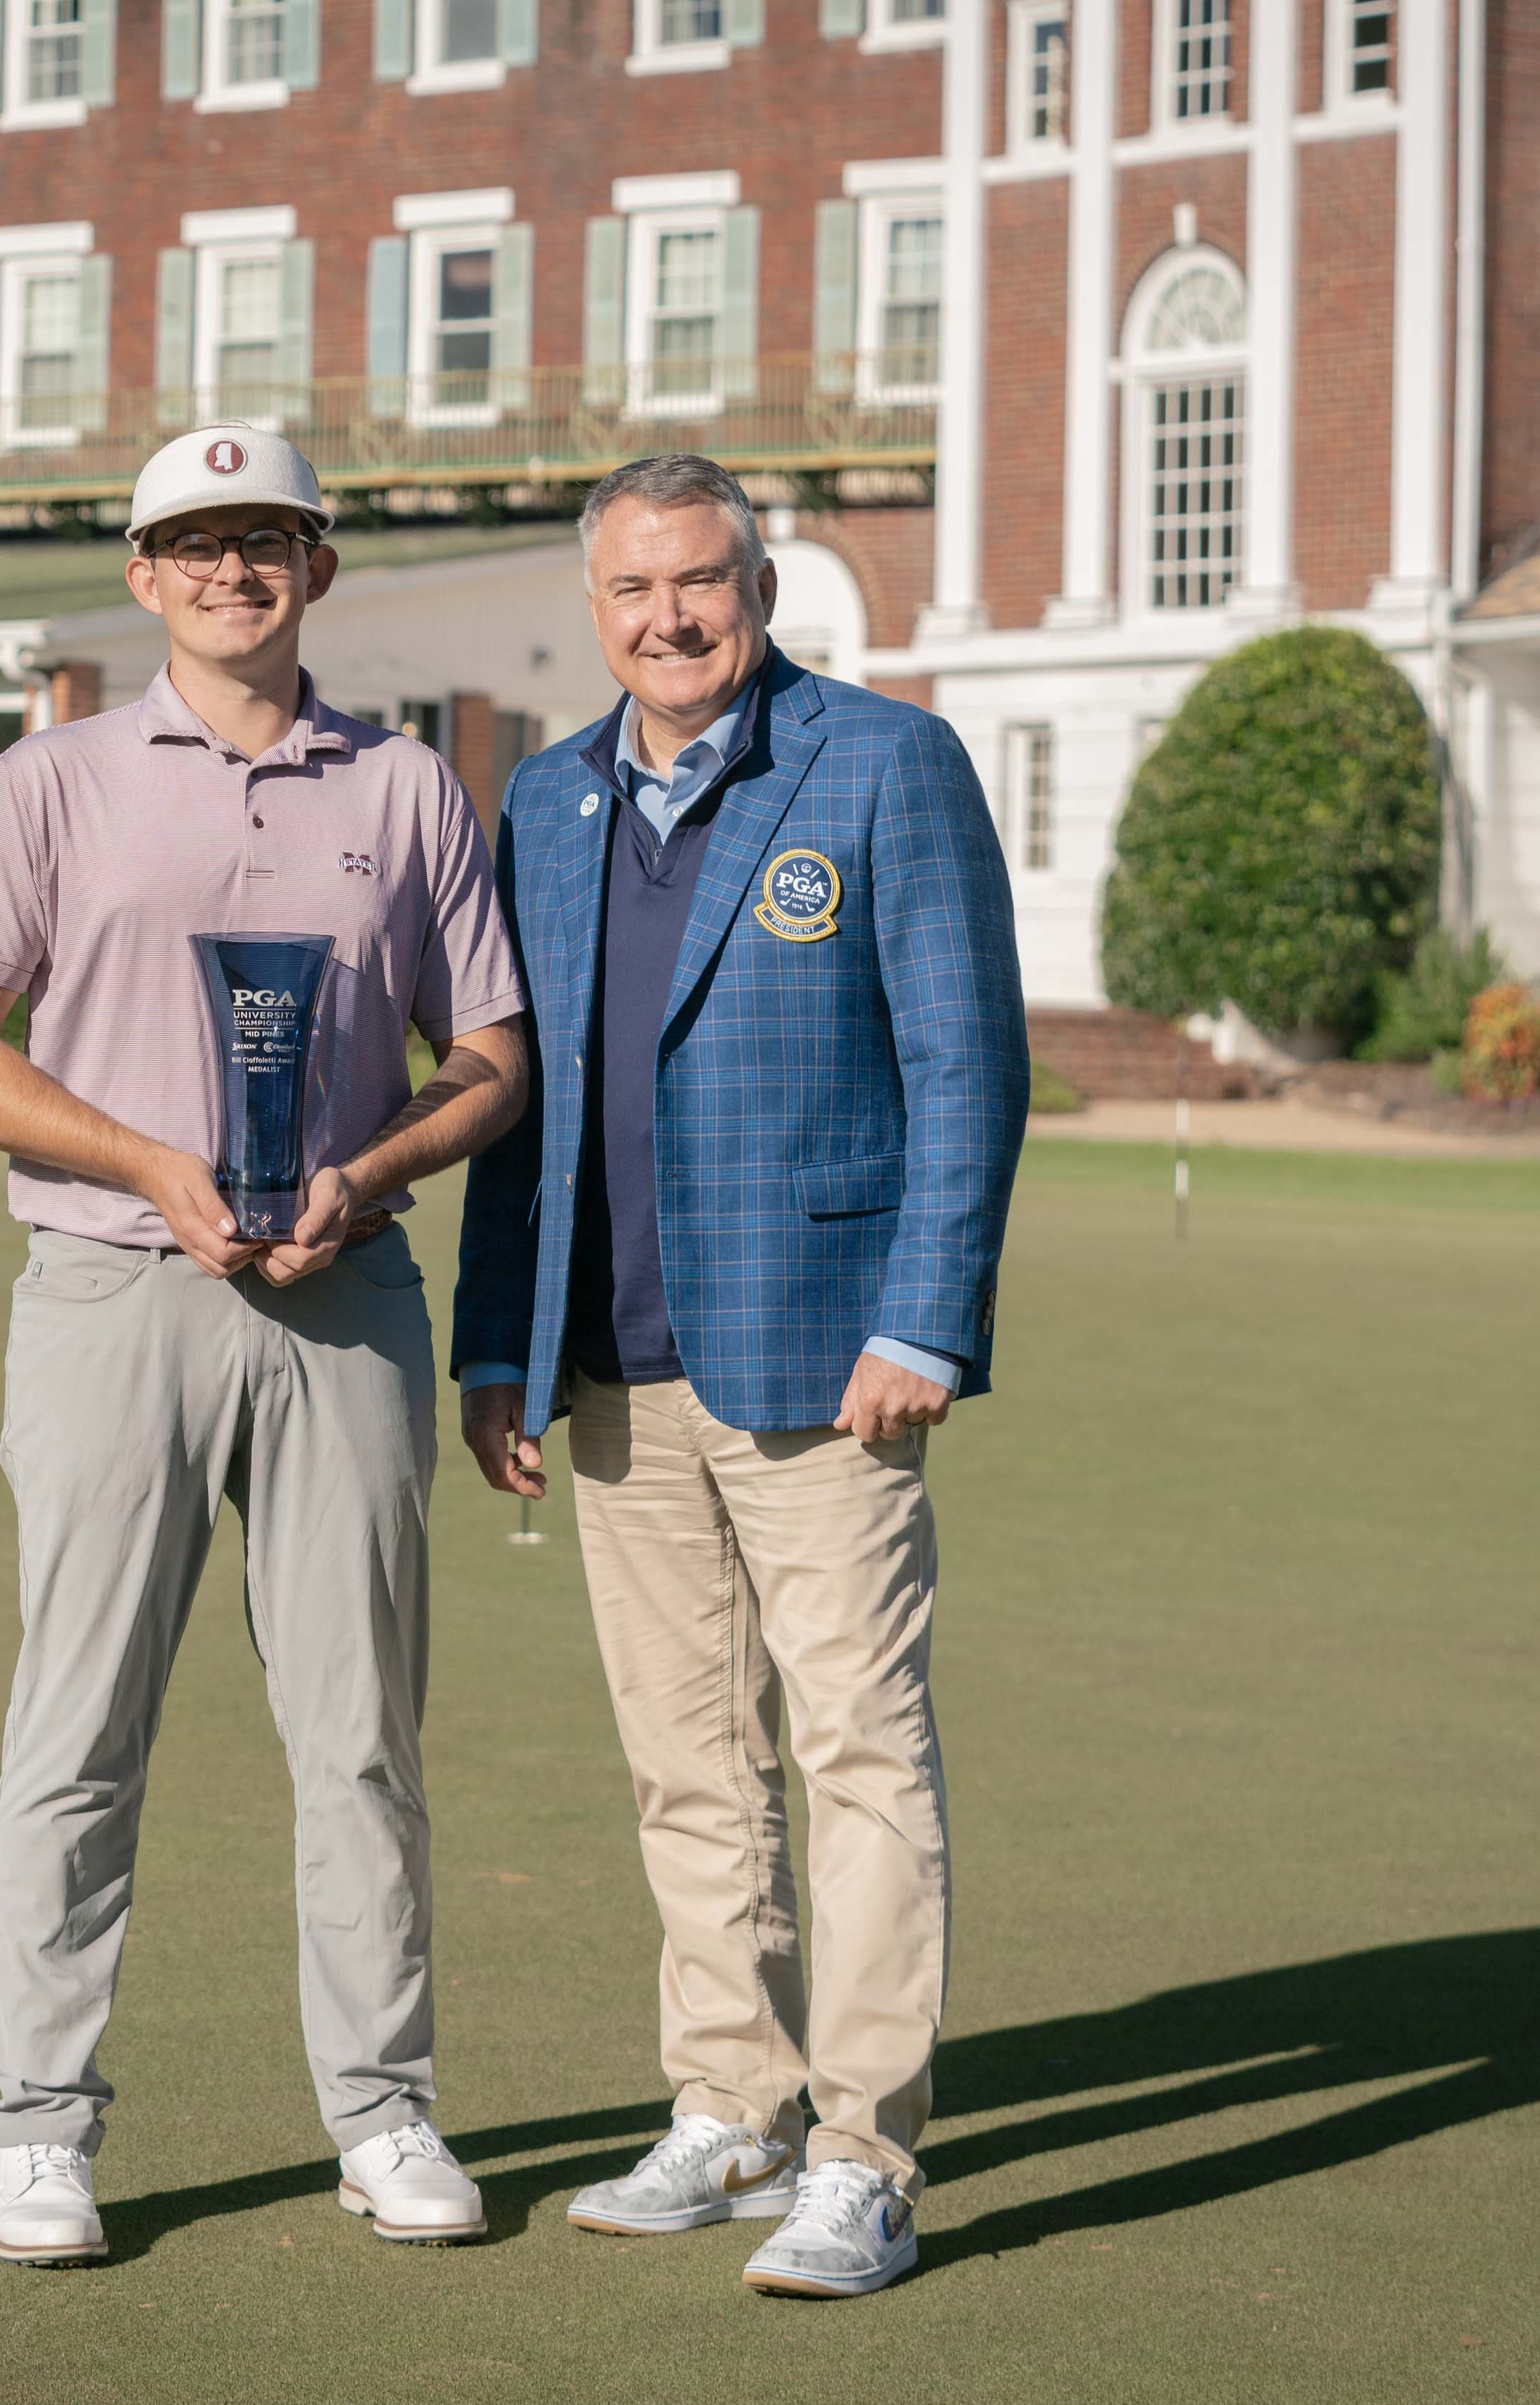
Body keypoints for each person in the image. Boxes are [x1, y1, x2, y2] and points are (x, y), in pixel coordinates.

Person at [0, 425, 528, 2266]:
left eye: (270, 540)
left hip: (346, 1299)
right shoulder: (55, 780)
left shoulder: (407, 787)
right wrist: (144, 1160)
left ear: (317, 570)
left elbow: (495, 1061)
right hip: (109, 1289)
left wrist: (375, 1164)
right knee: (79, 1727)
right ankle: (40, 2129)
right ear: (142, 573)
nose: (234, 569)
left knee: (359, 1736)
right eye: (196, 543)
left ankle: (385, 2113)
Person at [451, 454, 1027, 2299]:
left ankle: (861, 2153)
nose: (668, 619)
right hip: (611, 1371)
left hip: (825, 1362)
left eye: (699, 582)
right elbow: (512, 1102)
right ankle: (729, 2105)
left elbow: (968, 1061)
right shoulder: (544, 798)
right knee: (687, 1768)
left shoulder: (884, 764)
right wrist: (496, 1344)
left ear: (755, 586)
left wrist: (925, 1317)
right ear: (595, 606)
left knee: (857, 1755)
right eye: (632, 591)